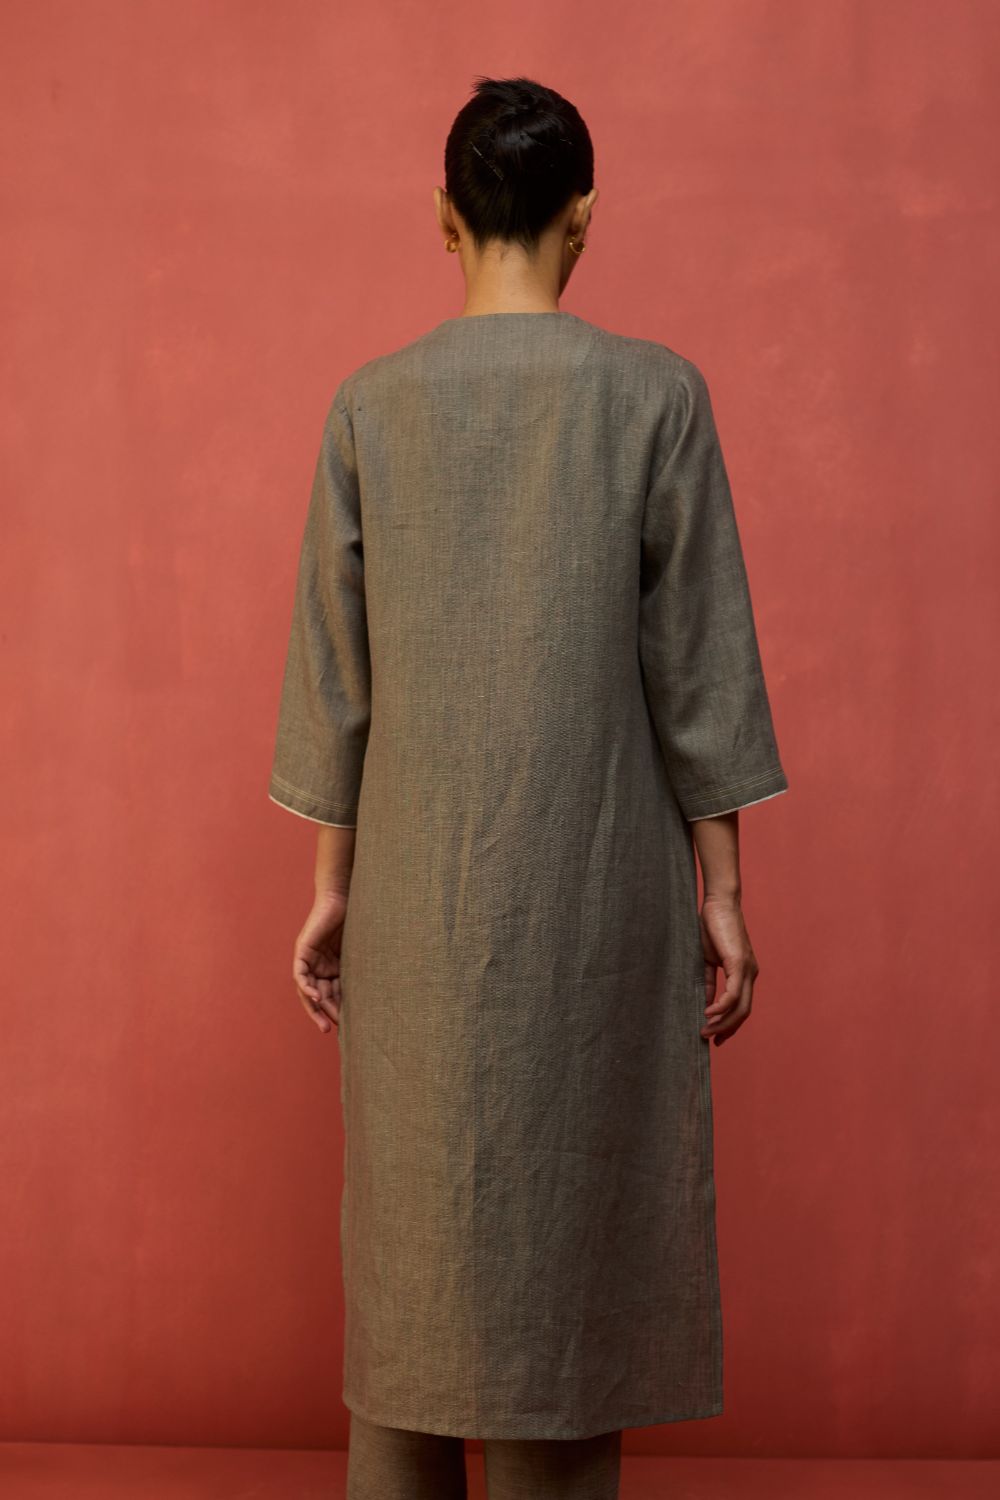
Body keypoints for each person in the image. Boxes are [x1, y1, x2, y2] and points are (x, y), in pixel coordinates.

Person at [268, 74, 789, 1500]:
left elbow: (336, 681)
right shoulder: (657, 396)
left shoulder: (371, 408)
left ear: (444, 216)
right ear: (586, 219)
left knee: (416, 1266)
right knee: (566, 1266)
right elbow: (701, 669)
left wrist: (330, 891)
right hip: (595, 899)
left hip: (418, 910)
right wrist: (723, 894)